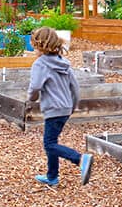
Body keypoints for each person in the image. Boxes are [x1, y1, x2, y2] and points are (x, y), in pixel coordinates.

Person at [27, 27, 93, 186]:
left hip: (53, 109)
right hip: (65, 108)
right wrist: (72, 106)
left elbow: (35, 87)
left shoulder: (40, 64)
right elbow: (75, 88)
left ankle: (79, 159)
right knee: (52, 141)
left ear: (40, 45)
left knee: (49, 144)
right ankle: (52, 176)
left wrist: (31, 98)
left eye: (34, 45)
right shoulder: (64, 63)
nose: (33, 49)